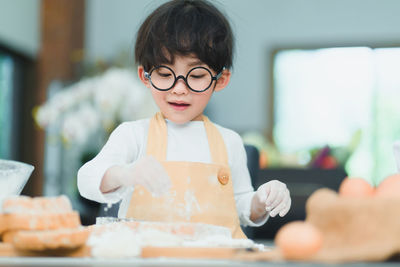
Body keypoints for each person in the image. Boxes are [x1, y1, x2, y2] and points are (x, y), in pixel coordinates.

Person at [78, 0, 291, 239]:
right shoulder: (134, 135)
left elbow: (242, 207)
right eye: (165, 73)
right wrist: (126, 174)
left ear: (220, 80)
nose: (179, 89)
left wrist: (262, 200)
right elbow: (86, 179)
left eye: (196, 75)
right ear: (145, 76)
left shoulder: (229, 142)